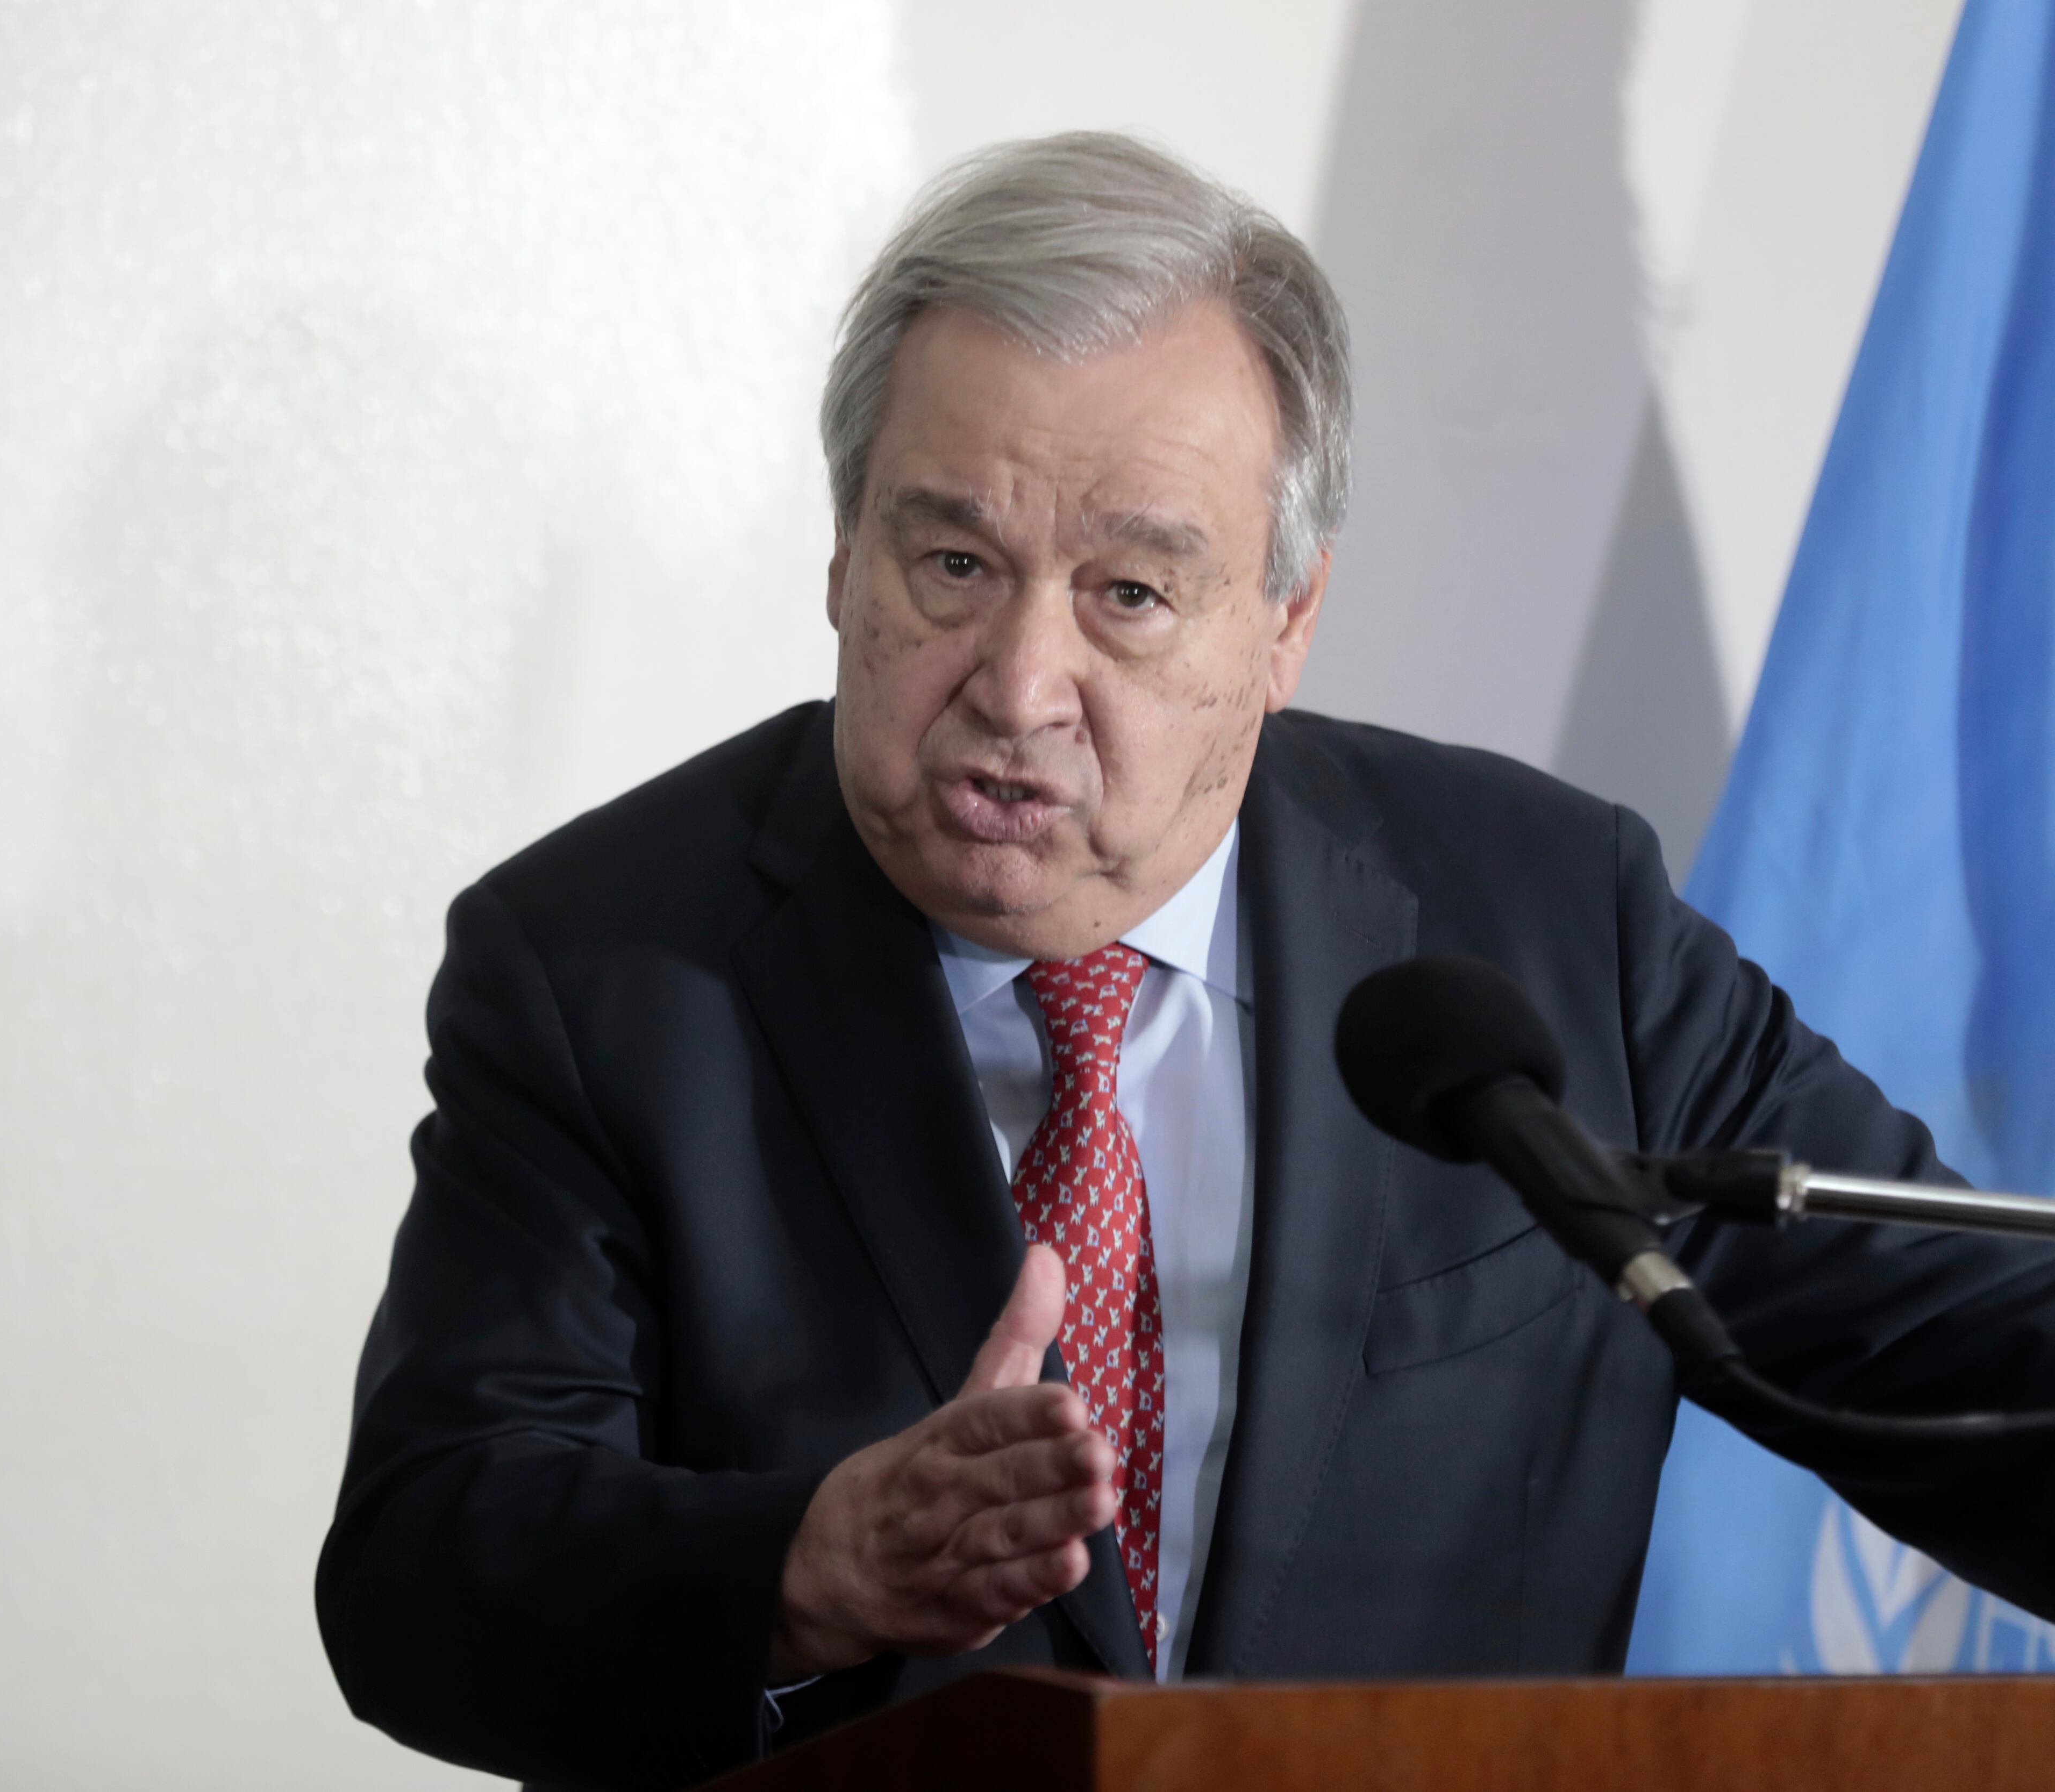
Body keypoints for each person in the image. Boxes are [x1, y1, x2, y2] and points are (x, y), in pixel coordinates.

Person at [315, 133, 2055, 1792]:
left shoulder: (1544, 926)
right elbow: (426, 1570)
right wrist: (809, 1565)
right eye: (952, 565)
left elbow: (1976, 1368)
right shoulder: (604, 966)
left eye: (1131, 594)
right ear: (843, 561)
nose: (1017, 682)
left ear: (1284, 625)